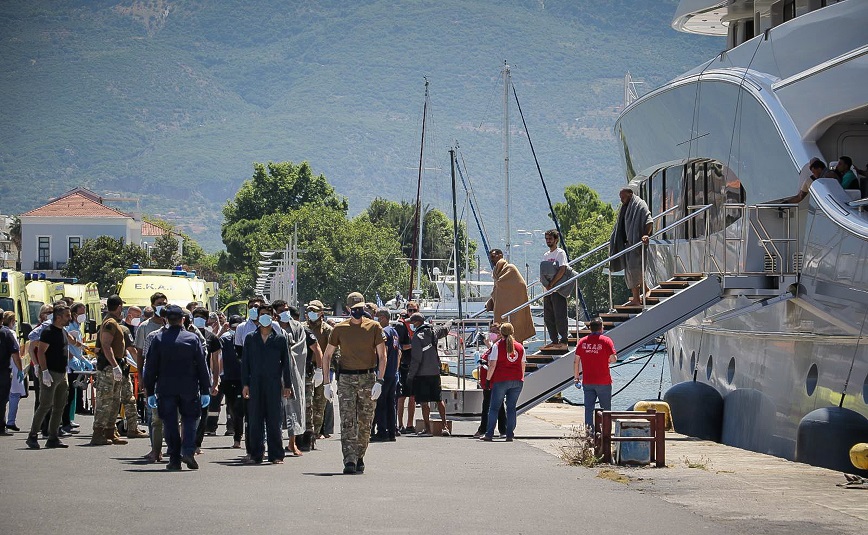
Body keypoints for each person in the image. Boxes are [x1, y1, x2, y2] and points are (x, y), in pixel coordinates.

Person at [322, 291, 387, 475]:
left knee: (365, 421)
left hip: (367, 378)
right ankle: (349, 459)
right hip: (346, 379)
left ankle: (359, 456)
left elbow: (383, 356)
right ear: (349, 309)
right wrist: (327, 383)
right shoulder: (339, 329)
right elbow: (327, 355)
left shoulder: (374, 327)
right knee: (348, 421)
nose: (358, 312)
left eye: (361, 308)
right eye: (355, 309)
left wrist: (380, 380)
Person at [144, 305, 211, 471]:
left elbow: (151, 367)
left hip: (166, 388)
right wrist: (205, 390)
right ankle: (188, 450)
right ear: (183, 319)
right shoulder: (192, 338)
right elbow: (202, 366)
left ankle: (174, 458)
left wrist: (150, 391)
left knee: (170, 423)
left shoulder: (158, 339)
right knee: (189, 420)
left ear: (166, 319)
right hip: (189, 388)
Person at [241, 304, 293, 464]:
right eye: (262, 314)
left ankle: (276, 454)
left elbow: (286, 363)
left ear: (273, 317)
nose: (265, 317)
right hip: (255, 383)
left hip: (274, 383)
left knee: (274, 420)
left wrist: (287, 385)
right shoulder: (250, 338)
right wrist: (245, 384)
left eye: (268, 315)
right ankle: (256, 454)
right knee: (255, 420)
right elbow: (245, 363)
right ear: (258, 316)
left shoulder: (280, 338)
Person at [26, 303, 72, 449]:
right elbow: (40, 352)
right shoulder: (48, 332)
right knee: (45, 405)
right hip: (50, 373)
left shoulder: (62, 331)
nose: (69, 318)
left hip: (61, 373)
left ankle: (53, 437)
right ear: (58, 317)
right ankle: (32, 435)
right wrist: (44, 371)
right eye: (67, 316)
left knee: (60, 406)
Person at [90, 295, 130, 446]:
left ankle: (109, 431)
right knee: (105, 401)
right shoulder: (110, 323)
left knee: (114, 401)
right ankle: (98, 433)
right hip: (108, 367)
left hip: (115, 365)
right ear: (119, 307)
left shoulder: (113, 322)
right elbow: (106, 346)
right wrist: (114, 366)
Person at [135, 292, 169, 461]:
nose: (162, 305)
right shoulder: (145, 328)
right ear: (153, 305)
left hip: (170, 378)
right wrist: (141, 377)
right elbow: (140, 354)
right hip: (153, 376)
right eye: (159, 303)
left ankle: (171, 447)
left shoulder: (174, 325)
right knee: (153, 415)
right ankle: (156, 449)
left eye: (164, 302)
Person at [480, 322, 525, 442]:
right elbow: (522, 365)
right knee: (511, 408)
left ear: (501, 333)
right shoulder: (520, 347)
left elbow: (493, 365)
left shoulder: (497, 346)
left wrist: (488, 380)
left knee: (494, 408)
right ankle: (509, 434)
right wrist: (521, 378)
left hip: (501, 380)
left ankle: (489, 433)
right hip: (517, 380)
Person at [406, 312, 450, 437]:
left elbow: (416, 359)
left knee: (424, 401)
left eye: (411, 323)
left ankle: (427, 429)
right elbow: (445, 329)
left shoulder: (416, 337)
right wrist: (451, 321)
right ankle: (445, 426)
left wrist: (410, 376)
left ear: (416, 323)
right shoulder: (433, 331)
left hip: (422, 374)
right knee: (438, 399)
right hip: (435, 371)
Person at [273, 300, 307, 456]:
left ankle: (292, 443)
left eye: (286, 310)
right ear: (275, 313)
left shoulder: (298, 327)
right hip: (273, 374)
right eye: (281, 310)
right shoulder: (271, 328)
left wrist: (286, 354)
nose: (285, 312)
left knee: (294, 407)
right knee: (274, 410)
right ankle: (275, 443)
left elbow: (301, 349)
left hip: (292, 374)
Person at [609, 187, 653, 306]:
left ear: (630, 194)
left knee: (634, 269)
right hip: (627, 244)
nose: (621, 200)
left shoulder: (639, 204)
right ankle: (640, 294)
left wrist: (645, 234)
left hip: (636, 243)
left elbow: (649, 221)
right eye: (620, 197)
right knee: (630, 271)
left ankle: (641, 295)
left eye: (623, 197)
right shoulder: (625, 207)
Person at [573, 317, 617, 430]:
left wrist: (576, 378)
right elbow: (613, 359)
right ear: (601, 328)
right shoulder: (606, 341)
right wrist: (605, 360)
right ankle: (606, 433)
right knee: (606, 409)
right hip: (604, 381)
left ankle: (589, 433)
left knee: (588, 408)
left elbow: (576, 361)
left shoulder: (582, 342)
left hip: (588, 381)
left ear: (590, 329)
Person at [486, 248, 535, 343]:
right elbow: (497, 289)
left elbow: (520, 285)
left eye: (493, 256)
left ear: (500, 255)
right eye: (490, 257)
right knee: (500, 330)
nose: (492, 259)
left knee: (515, 329)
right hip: (501, 308)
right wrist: (490, 302)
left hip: (514, 306)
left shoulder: (510, 268)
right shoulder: (496, 272)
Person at [192, 307, 221, 452]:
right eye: (196, 316)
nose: (199, 319)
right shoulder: (186, 334)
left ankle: (197, 443)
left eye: (202, 317)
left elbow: (215, 362)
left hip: (204, 380)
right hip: (188, 380)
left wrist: (215, 383)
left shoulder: (212, 337)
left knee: (203, 412)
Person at [303, 299, 330, 449]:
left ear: (321, 313)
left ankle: (315, 434)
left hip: (322, 369)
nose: (311, 314)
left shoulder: (327, 330)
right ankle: (307, 434)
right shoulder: (302, 327)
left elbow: (334, 350)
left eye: (314, 311)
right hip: (306, 368)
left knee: (319, 404)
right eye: (309, 311)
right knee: (307, 404)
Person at [474, 322, 507, 439]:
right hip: (488, 380)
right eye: (491, 331)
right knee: (497, 406)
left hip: (493, 380)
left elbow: (494, 363)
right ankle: (503, 429)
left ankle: (485, 429)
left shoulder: (497, 346)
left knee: (488, 406)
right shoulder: (493, 346)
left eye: (495, 332)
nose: (492, 334)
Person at [371, 307, 399, 442]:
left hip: (384, 372)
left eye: (377, 317)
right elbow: (398, 353)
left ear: (383, 318)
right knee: (390, 403)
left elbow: (383, 353)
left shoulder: (384, 332)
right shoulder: (394, 332)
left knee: (381, 403)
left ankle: (382, 431)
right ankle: (392, 431)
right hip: (393, 372)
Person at [539, 229, 570, 350]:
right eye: (546, 239)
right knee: (548, 317)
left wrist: (553, 283)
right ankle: (554, 340)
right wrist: (547, 284)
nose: (548, 241)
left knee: (560, 315)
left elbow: (562, 269)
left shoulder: (560, 253)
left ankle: (564, 339)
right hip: (548, 291)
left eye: (550, 239)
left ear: (556, 240)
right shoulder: (546, 255)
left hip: (558, 290)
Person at [218, 315, 245, 449]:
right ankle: (236, 433)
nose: (236, 330)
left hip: (244, 379)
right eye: (233, 327)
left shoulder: (248, 338)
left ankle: (238, 438)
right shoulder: (225, 339)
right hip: (228, 378)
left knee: (241, 409)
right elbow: (214, 351)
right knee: (233, 408)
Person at [395, 301, 417, 434]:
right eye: (410, 311)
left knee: (413, 397)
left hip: (415, 365)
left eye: (414, 310)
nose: (412, 313)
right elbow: (399, 346)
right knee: (401, 397)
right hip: (403, 365)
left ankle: (410, 424)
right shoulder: (401, 326)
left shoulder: (421, 325)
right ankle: (400, 424)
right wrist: (413, 344)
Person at [0, 311, 22, 436]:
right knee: (2, 400)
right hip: (2, 371)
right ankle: (1, 427)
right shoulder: (6, 333)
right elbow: (15, 354)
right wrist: (19, 369)